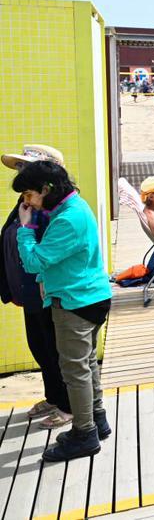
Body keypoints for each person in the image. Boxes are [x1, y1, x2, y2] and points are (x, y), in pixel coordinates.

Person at [11, 161, 112, 462]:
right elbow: (65, 260)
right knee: (86, 363)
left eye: (29, 194)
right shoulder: (71, 209)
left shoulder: (68, 219)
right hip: (86, 295)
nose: (26, 202)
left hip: (75, 302)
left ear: (46, 189)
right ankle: (97, 419)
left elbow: (34, 261)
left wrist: (25, 229)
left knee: (74, 370)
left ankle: (84, 435)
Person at [1, 146, 72, 429]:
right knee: (40, 347)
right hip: (27, 291)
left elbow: (45, 254)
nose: (20, 173)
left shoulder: (51, 211)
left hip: (47, 291)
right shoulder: (26, 203)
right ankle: (54, 396)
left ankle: (68, 405)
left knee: (55, 349)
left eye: (25, 167)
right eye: (19, 167)